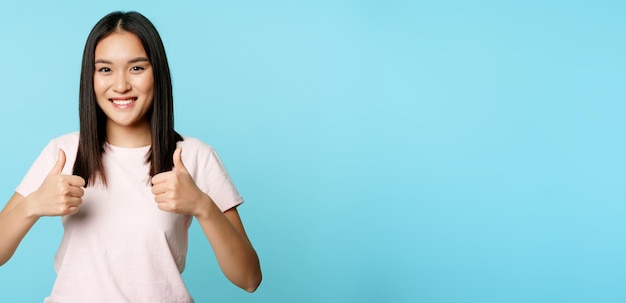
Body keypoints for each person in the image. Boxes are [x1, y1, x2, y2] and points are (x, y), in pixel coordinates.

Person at [0, 11, 262, 302]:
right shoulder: (63, 153)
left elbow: (249, 278)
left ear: (157, 73)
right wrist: (31, 205)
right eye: (105, 69)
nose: (121, 85)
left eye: (136, 68)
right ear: (91, 77)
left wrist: (203, 205)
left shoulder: (193, 156)